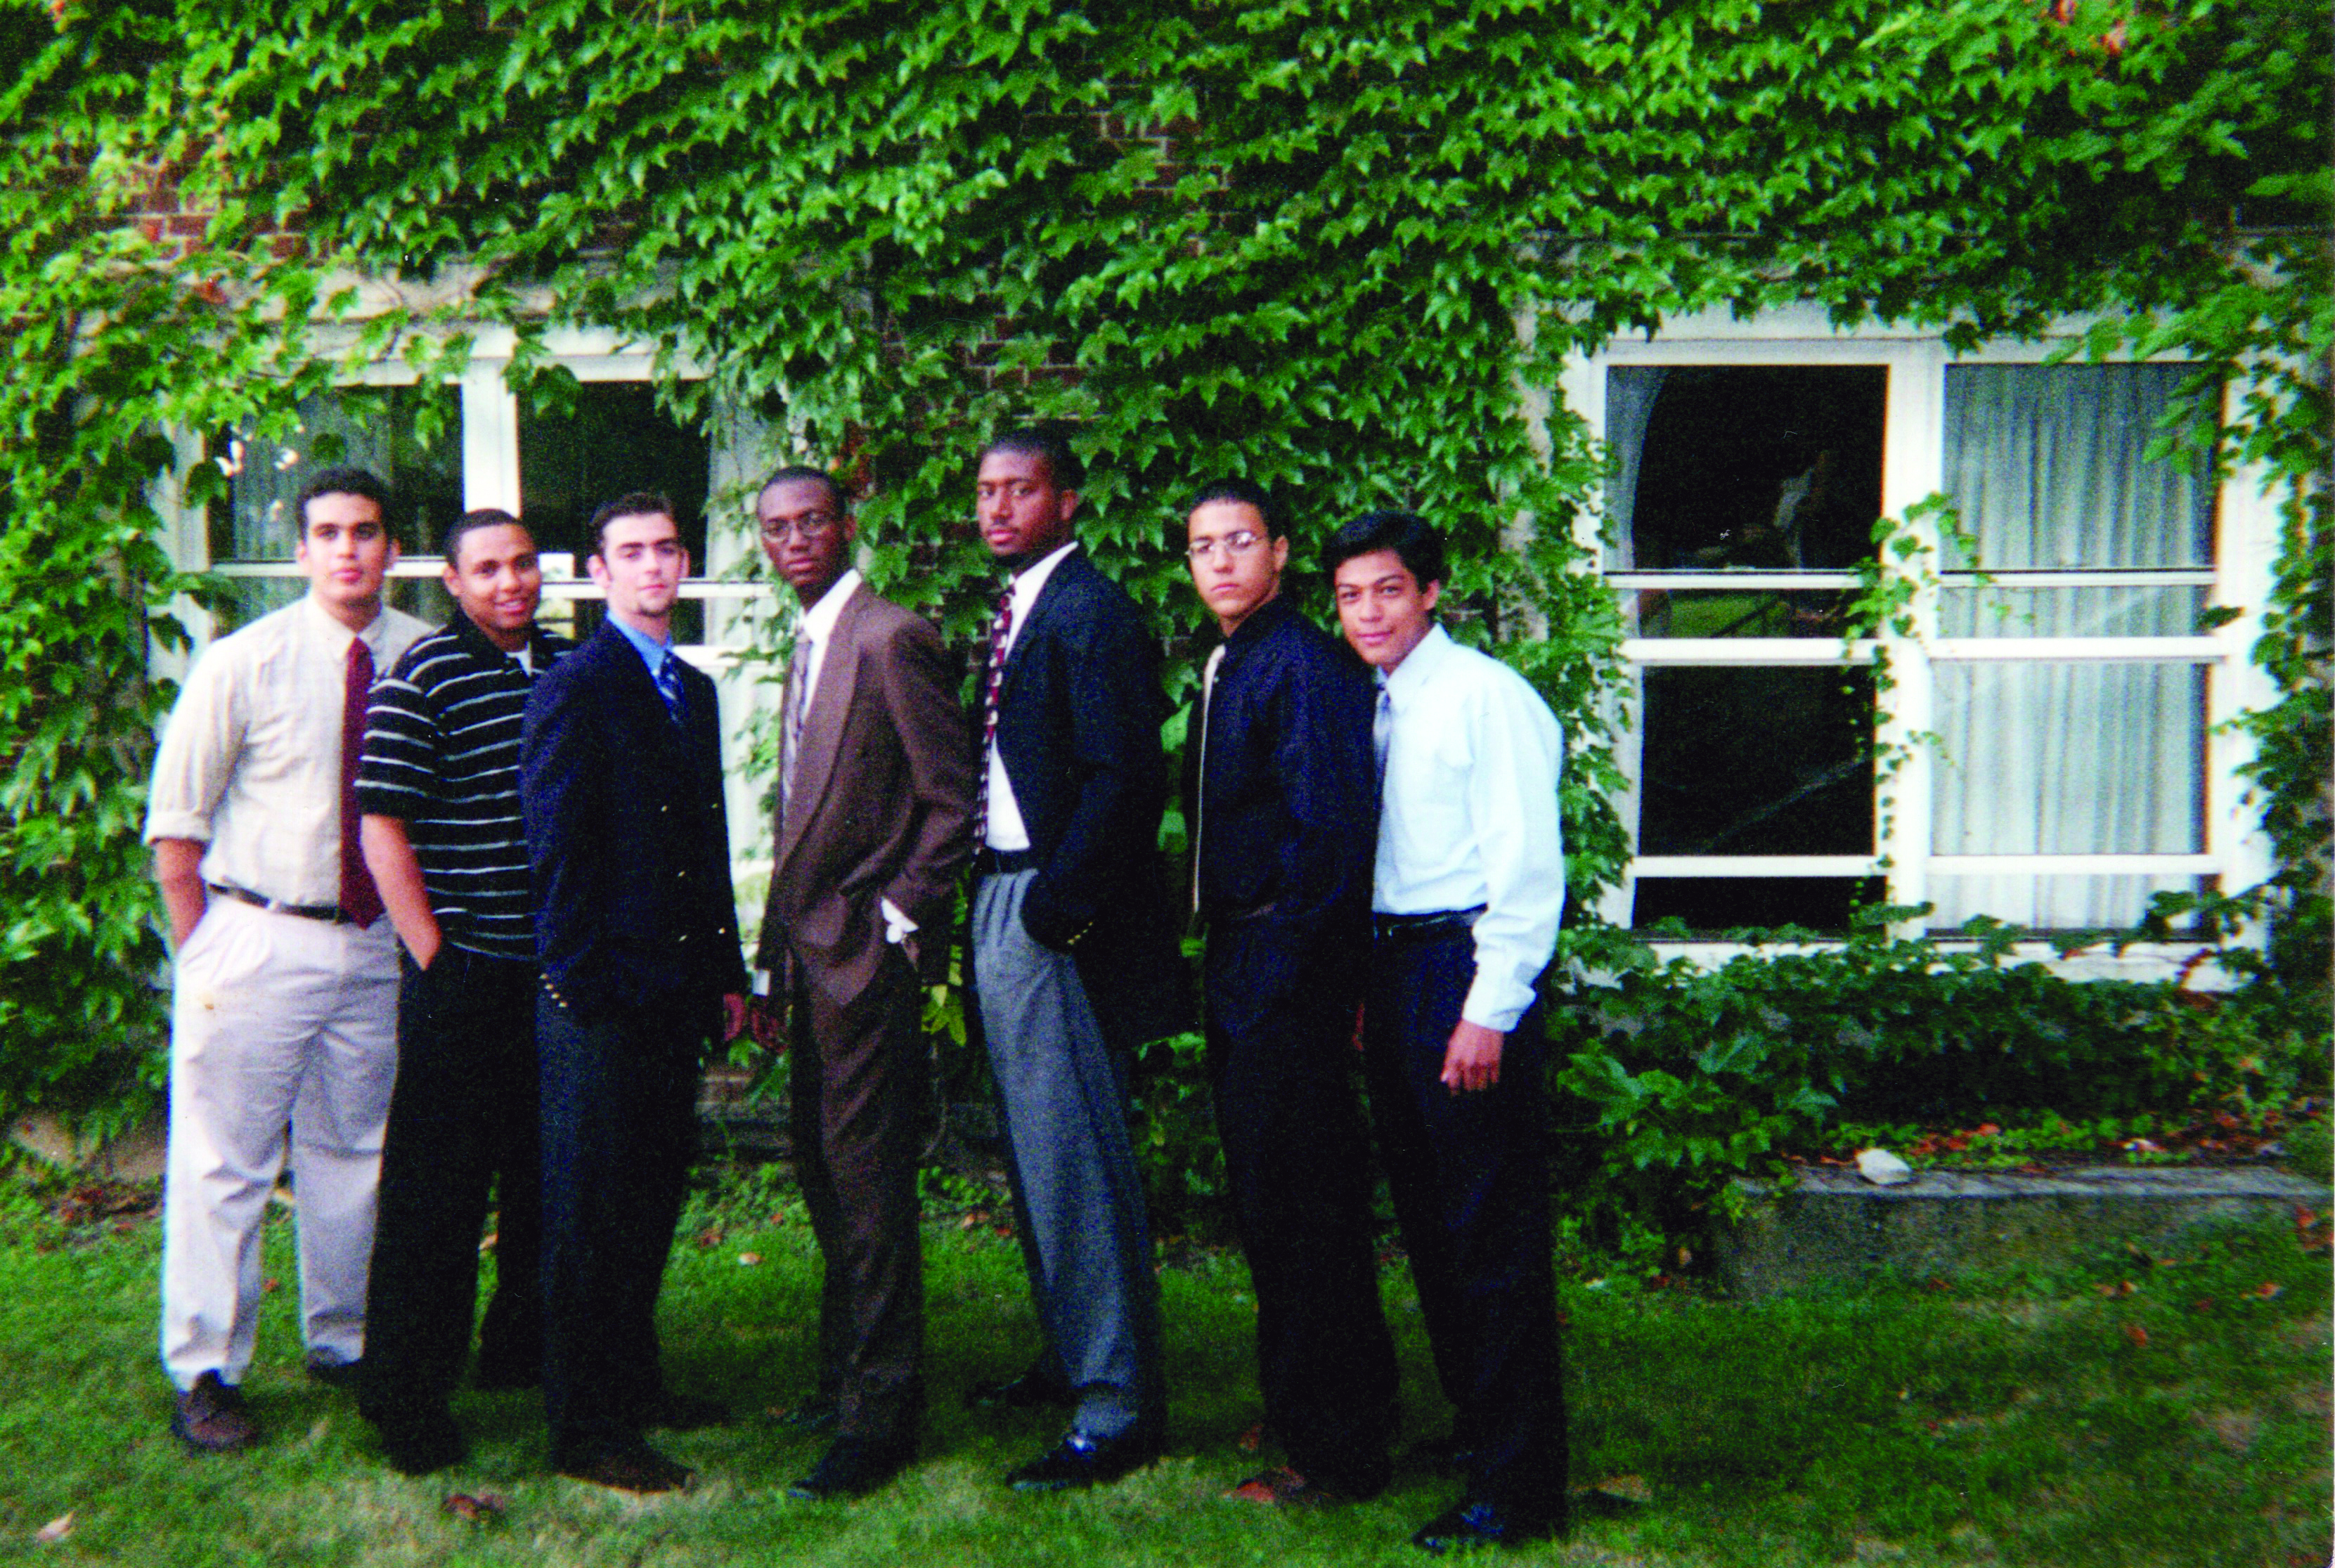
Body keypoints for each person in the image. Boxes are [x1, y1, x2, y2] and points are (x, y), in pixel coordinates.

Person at [143, 466, 431, 1453]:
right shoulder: (242, 663)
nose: (348, 548)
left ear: (392, 547)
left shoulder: (424, 658)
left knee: (355, 1152)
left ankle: (344, 1338)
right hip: (258, 934)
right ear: (301, 550)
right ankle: (207, 1365)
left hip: (374, 944)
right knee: (227, 1158)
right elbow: (174, 831)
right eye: (329, 532)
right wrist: (210, 952)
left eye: (367, 530)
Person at [1326, 510, 1570, 1553]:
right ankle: (1479, 1427)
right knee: (1430, 1219)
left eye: (1387, 590)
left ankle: (1519, 1486)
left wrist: (1488, 1005)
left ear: (1430, 591)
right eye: (1349, 595)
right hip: (1394, 965)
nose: (1368, 612)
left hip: (1465, 966)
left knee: (1490, 1230)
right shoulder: (1376, 705)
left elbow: (1525, 865)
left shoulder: (1485, 699)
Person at [744, 467, 975, 1499]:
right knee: (824, 1173)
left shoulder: (891, 636)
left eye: (810, 522)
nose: (793, 539)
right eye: (774, 527)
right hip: (806, 958)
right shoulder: (810, 640)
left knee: (869, 1183)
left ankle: (882, 1413)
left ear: (845, 526)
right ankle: (845, 1376)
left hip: (861, 959)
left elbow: (949, 800)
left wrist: (893, 922)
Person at [963, 427, 1182, 1491]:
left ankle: (1115, 1403)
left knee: (1075, 1157)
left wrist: (1054, 910)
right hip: (1001, 889)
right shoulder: (1021, 610)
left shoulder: (1090, 612)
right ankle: (1070, 1357)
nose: (998, 508)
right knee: (1035, 1148)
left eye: (1021, 489)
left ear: (1069, 500)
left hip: (1048, 907)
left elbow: (1127, 782)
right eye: (987, 492)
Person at [520, 492, 749, 1494]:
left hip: (672, 992)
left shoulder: (689, 690)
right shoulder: (576, 684)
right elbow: (556, 850)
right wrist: (578, 986)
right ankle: (586, 1424)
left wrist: (727, 975)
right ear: (599, 572)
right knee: (590, 1214)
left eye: (666, 550)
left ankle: (638, 1381)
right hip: (600, 999)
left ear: (683, 561)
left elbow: (707, 846)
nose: (652, 567)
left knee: (651, 1196)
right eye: (631, 553)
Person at [1179, 479, 1399, 1507]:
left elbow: (1329, 836)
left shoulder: (1300, 663)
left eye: (1239, 542)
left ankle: (1334, 1451)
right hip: (1243, 961)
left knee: (1303, 1210)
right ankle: (1315, 1404)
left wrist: (1284, 979)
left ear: (1277, 551)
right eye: (1201, 547)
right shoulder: (1238, 657)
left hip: (1282, 970)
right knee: (1276, 1205)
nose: (1219, 561)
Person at [351, 507, 571, 1473]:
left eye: (523, 565)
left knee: (542, 1179)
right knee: (438, 1197)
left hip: (555, 973)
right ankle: (407, 1398)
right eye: (487, 569)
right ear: (452, 580)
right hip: (465, 971)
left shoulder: (570, 666)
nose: (510, 583)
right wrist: (434, 952)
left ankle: (519, 1349)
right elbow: (381, 826)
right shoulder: (423, 678)